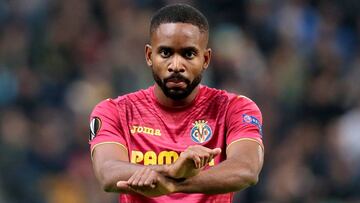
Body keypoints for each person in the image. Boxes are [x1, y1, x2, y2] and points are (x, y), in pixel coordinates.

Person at [89, 3, 264, 203]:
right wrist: (170, 170)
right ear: (149, 56)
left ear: (206, 59)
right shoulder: (115, 111)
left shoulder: (234, 108)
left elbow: (247, 169)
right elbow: (108, 172)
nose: (176, 65)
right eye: (165, 53)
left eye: (188, 54)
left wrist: (174, 183)